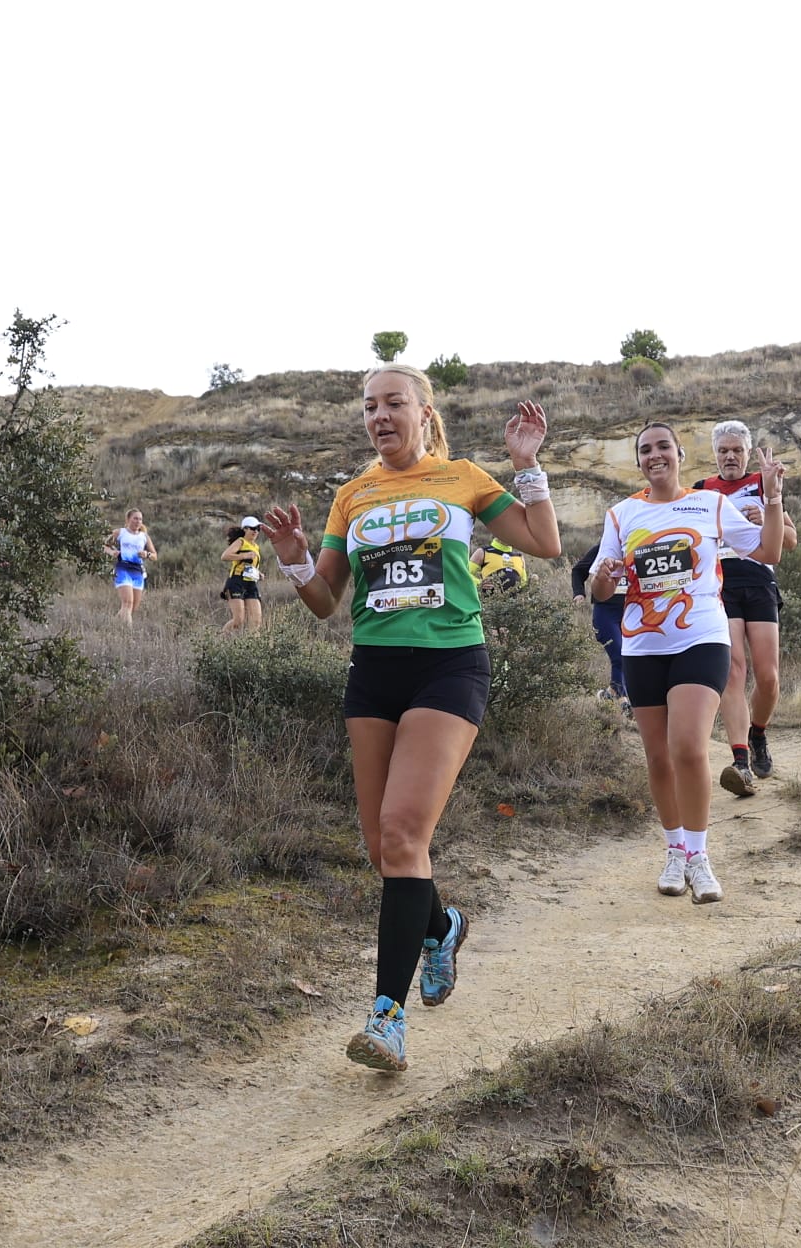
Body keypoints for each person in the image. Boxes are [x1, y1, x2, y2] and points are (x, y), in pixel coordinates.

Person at [261, 364, 559, 1073]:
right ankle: (443, 924)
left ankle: (386, 1021)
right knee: (384, 850)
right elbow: (325, 601)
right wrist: (297, 562)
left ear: (424, 412)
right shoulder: (352, 494)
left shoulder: (462, 479)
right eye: (369, 406)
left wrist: (527, 467)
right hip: (374, 672)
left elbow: (542, 543)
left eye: (394, 403)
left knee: (402, 834)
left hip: (448, 667)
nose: (379, 415)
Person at [588, 421, 785, 904]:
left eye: (663, 447)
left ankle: (699, 858)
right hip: (643, 646)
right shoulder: (622, 514)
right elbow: (600, 588)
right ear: (638, 461)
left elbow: (768, 550)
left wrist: (775, 503)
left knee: (689, 748)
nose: (655, 456)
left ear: (679, 453)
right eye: (645, 450)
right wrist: (607, 576)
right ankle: (674, 849)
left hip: (701, 636)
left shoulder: (710, 503)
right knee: (657, 756)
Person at [693, 421, 799, 796]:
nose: (730, 456)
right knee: (733, 670)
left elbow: (790, 541)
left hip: (758, 579)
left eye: (736, 450)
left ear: (747, 451)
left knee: (768, 676)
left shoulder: (762, 483)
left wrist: (766, 516)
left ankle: (758, 733)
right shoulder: (702, 491)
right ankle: (740, 762)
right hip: (720, 584)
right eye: (723, 450)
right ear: (715, 454)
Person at [571, 545, 628, 707]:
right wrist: (579, 593)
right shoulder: (604, 548)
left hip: (632, 612)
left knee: (630, 657)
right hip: (606, 613)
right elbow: (578, 570)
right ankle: (624, 702)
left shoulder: (639, 545)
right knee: (619, 655)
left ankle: (610, 694)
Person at [103, 508, 157, 626]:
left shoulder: (144, 536)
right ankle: (129, 634)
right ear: (128, 519)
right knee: (127, 602)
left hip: (137, 571)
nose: (138, 521)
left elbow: (154, 555)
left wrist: (146, 554)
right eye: (135, 518)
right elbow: (105, 546)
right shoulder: (119, 532)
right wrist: (112, 552)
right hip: (123, 568)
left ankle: (111, 626)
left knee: (132, 608)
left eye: (140, 519)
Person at [219, 517, 266, 633]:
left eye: (258, 528)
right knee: (238, 621)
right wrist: (244, 556)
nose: (256, 531)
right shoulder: (241, 541)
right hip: (236, 582)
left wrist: (258, 573)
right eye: (253, 528)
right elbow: (225, 556)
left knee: (256, 621)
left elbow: (250, 565)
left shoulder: (255, 546)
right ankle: (217, 640)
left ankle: (253, 648)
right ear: (245, 529)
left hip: (251, 583)